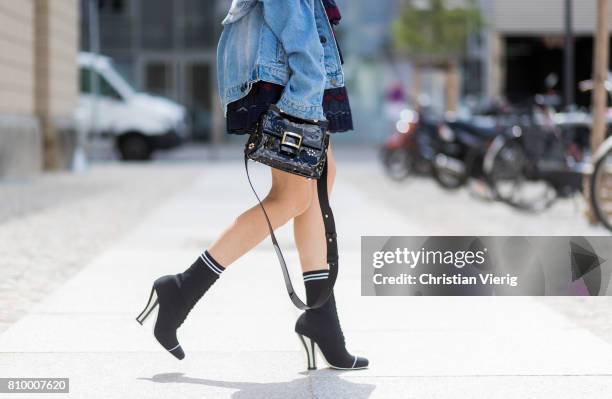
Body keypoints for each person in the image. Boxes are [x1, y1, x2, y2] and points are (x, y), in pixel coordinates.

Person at [136, 0, 368, 371]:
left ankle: (322, 319)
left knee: (316, 185)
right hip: (294, 76)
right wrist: (305, 94)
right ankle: (180, 290)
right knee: (291, 197)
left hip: (302, 74)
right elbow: (293, 22)